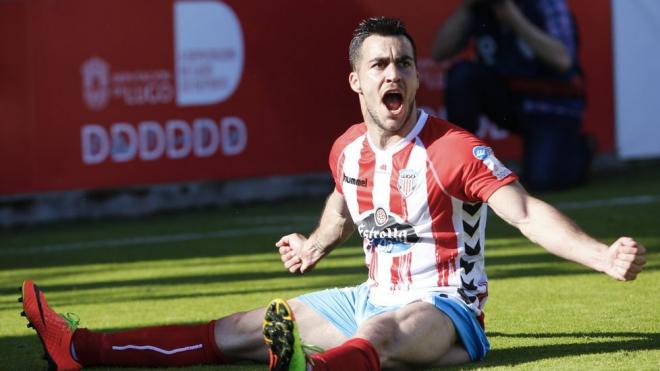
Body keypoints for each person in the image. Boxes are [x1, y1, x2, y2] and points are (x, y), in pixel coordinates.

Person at [21, 16, 645, 371]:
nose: (395, 73)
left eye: (404, 62)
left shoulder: (453, 149)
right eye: (380, 65)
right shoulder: (347, 148)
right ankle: (79, 346)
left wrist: (601, 256)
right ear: (357, 81)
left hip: (445, 310)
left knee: (381, 338)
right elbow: (343, 205)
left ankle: (309, 367)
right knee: (238, 329)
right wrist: (317, 241)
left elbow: (528, 214)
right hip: (364, 296)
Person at [431, 0, 591, 191]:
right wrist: (466, 7)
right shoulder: (480, 8)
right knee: (463, 75)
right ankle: (461, 166)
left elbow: (562, 60)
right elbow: (439, 52)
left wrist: (511, 15)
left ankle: (580, 150)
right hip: (508, 99)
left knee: (543, 180)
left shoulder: (548, 5)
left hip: (550, 104)